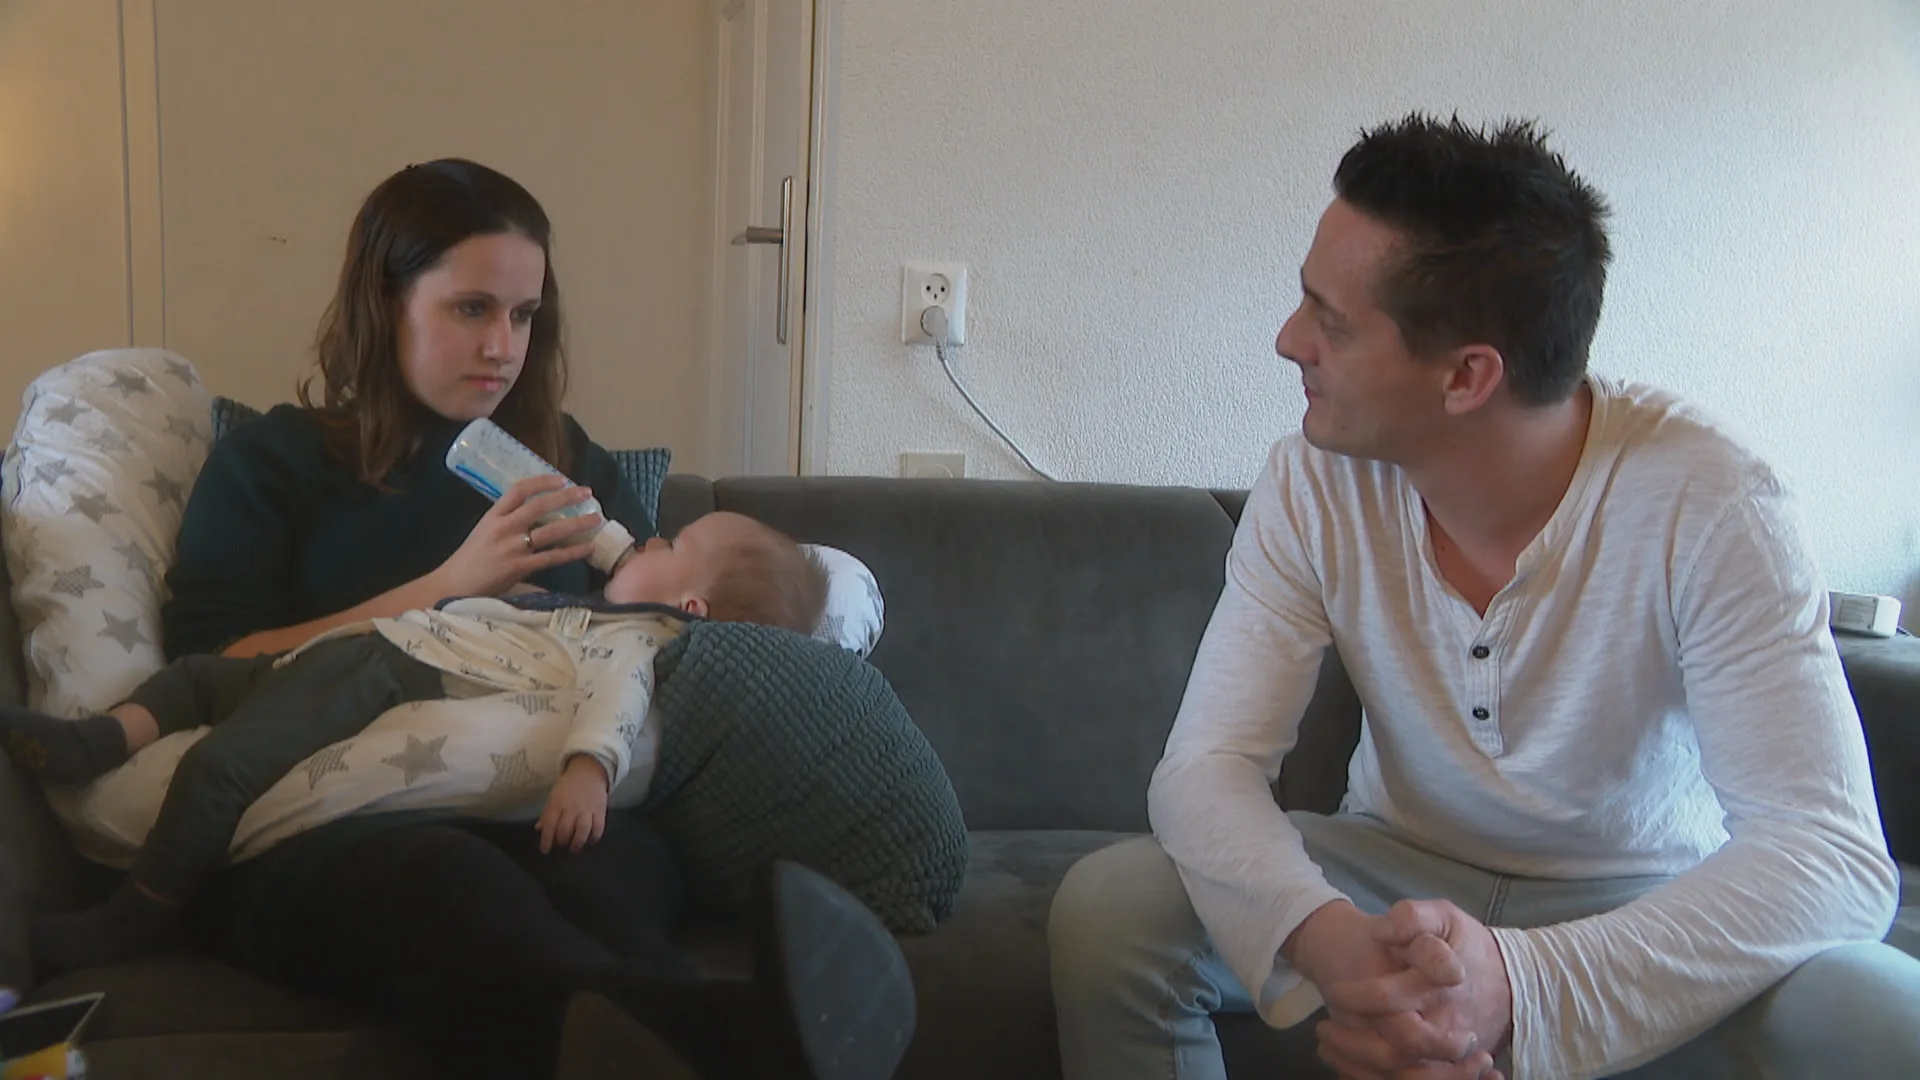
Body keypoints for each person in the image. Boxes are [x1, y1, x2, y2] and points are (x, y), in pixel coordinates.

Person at [1048, 114, 1920, 1080]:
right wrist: (1333, 946)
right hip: (1392, 877)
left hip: (1639, 902)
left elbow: (1829, 856)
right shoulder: (1312, 481)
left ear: (1468, 376)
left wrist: (1522, 984)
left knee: (1888, 1019)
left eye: (1330, 322)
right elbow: (1205, 766)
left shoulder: (1712, 500)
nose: (1289, 341)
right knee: (1114, 908)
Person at [16, 158, 897, 1080]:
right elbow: (217, 662)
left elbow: (669, 641)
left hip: (540, 797)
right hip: (335, 822)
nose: (503, 347)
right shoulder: (275, 461)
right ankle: (748, 1040)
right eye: (472, 309)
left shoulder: (562, 460)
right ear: (386, 303)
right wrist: (446, 585)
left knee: (607, 880)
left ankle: (697, 1039)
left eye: (524, 315)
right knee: (452, 886)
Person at [3, 510, 830, 974]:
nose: (647, 539)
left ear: (690, 610)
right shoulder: (589, 612)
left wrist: (588, 766)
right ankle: (99, 739)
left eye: (670, 547)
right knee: (198, 677)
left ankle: (142, 911)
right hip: (372, 650)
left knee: (226, 761)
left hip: (393, 669)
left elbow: (614, 693)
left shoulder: (636, 636)